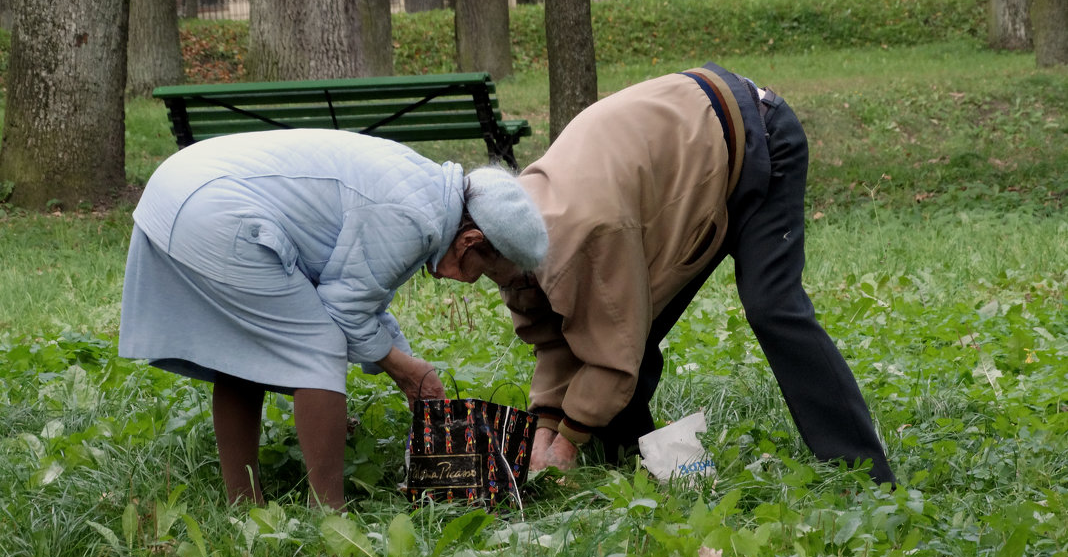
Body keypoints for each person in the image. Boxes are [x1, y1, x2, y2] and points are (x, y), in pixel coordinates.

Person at [433, 61, 897, 487]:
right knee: (619, 330)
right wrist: (544, 426)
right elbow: (554, 334)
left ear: (474, 242)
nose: (446, 277)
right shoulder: (514, 224)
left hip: (759, 138)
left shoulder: (586, 235)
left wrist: (566, 443)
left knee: (772, 307)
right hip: (677, 172)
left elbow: (616, 355)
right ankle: (648, 469)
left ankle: (862, 471)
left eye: (454, 263)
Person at [119, 129, 547, 509]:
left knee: (246, 349)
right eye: (487, 273)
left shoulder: (427, 193)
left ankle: (242, 505)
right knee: (318, 347)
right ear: (471, 241)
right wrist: (404, 370)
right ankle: (329, 515)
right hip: (211, 208)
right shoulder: (413, 219)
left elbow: (361, 298)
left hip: (183, 188)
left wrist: (409, 368)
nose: (474, 284)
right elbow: (342, 313)